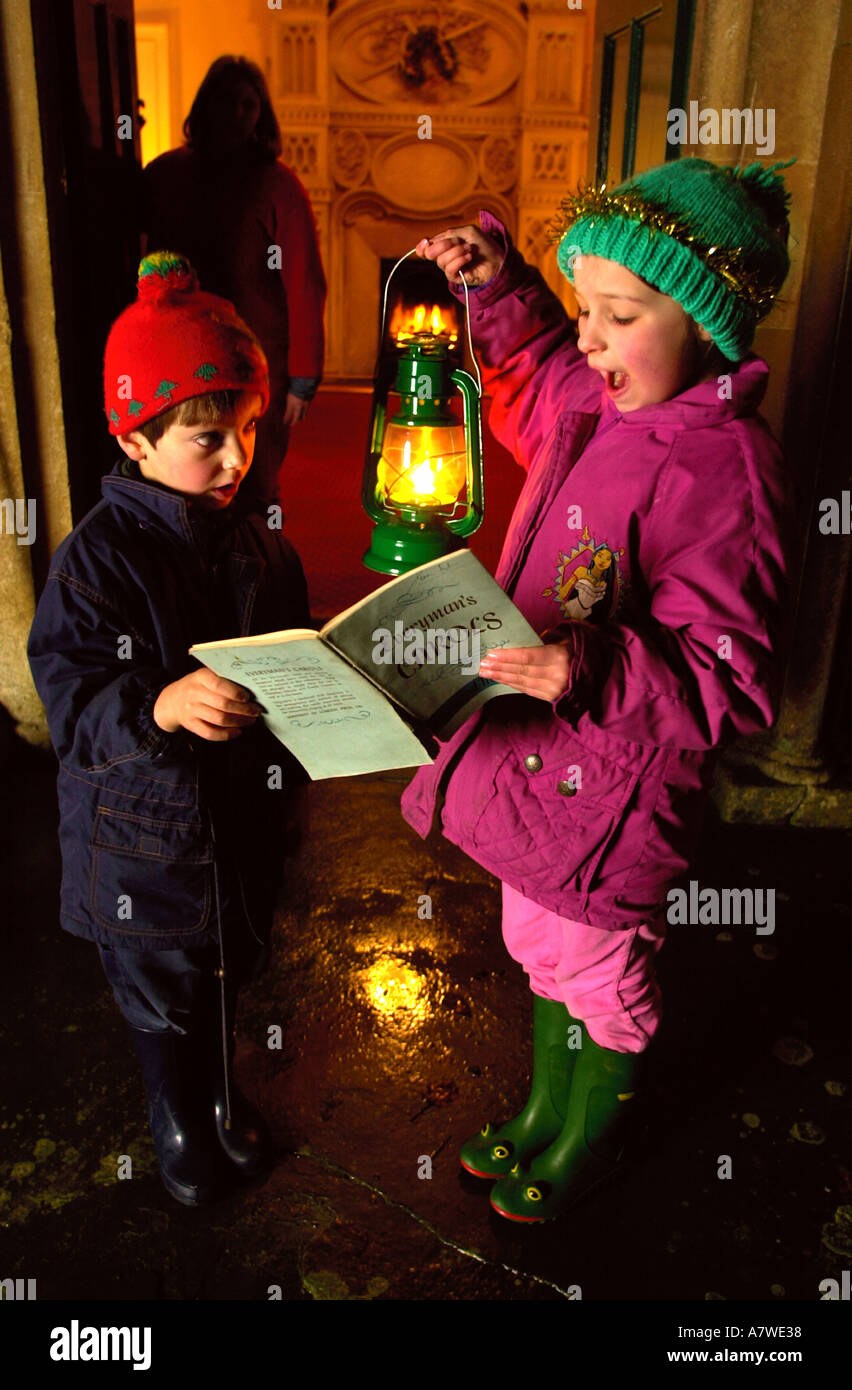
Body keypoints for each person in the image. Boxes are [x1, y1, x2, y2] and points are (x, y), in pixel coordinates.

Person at [402, 158, 797, 1222]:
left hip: (612, 792)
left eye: (618, 315)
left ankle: (587, 1140)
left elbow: (725, 680)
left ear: (705, 323)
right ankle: (542, 1108)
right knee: (539, 942)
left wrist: (587, 666)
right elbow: (534, 367)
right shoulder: (609, 398)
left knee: (602, 972)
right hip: (538, 772)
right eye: (586, 308)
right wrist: (496, 286)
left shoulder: (729, 474)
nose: (590, 338)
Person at [27, 251, 311, 1207]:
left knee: (225, 971)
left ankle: (218, 1096)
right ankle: (178, 1118)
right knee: (163, 992)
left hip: (232, 828)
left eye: (246, 429)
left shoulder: (260, 541)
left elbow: (294, 658)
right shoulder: (93, 562)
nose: (235, 458)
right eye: (205, 436)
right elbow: (69, 701)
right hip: (138, 848)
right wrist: (157, 704)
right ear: (137, 439)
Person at [143, 56, 327, 504]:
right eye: (229, 102)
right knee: (180, 475)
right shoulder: (164, 176)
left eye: (251, 105)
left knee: (252, 483)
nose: (241, 114)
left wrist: (302, 378)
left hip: (256, 359)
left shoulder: (279, 186)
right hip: (179, 352)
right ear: (206, 107)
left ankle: (256, 570)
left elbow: (303, 284)